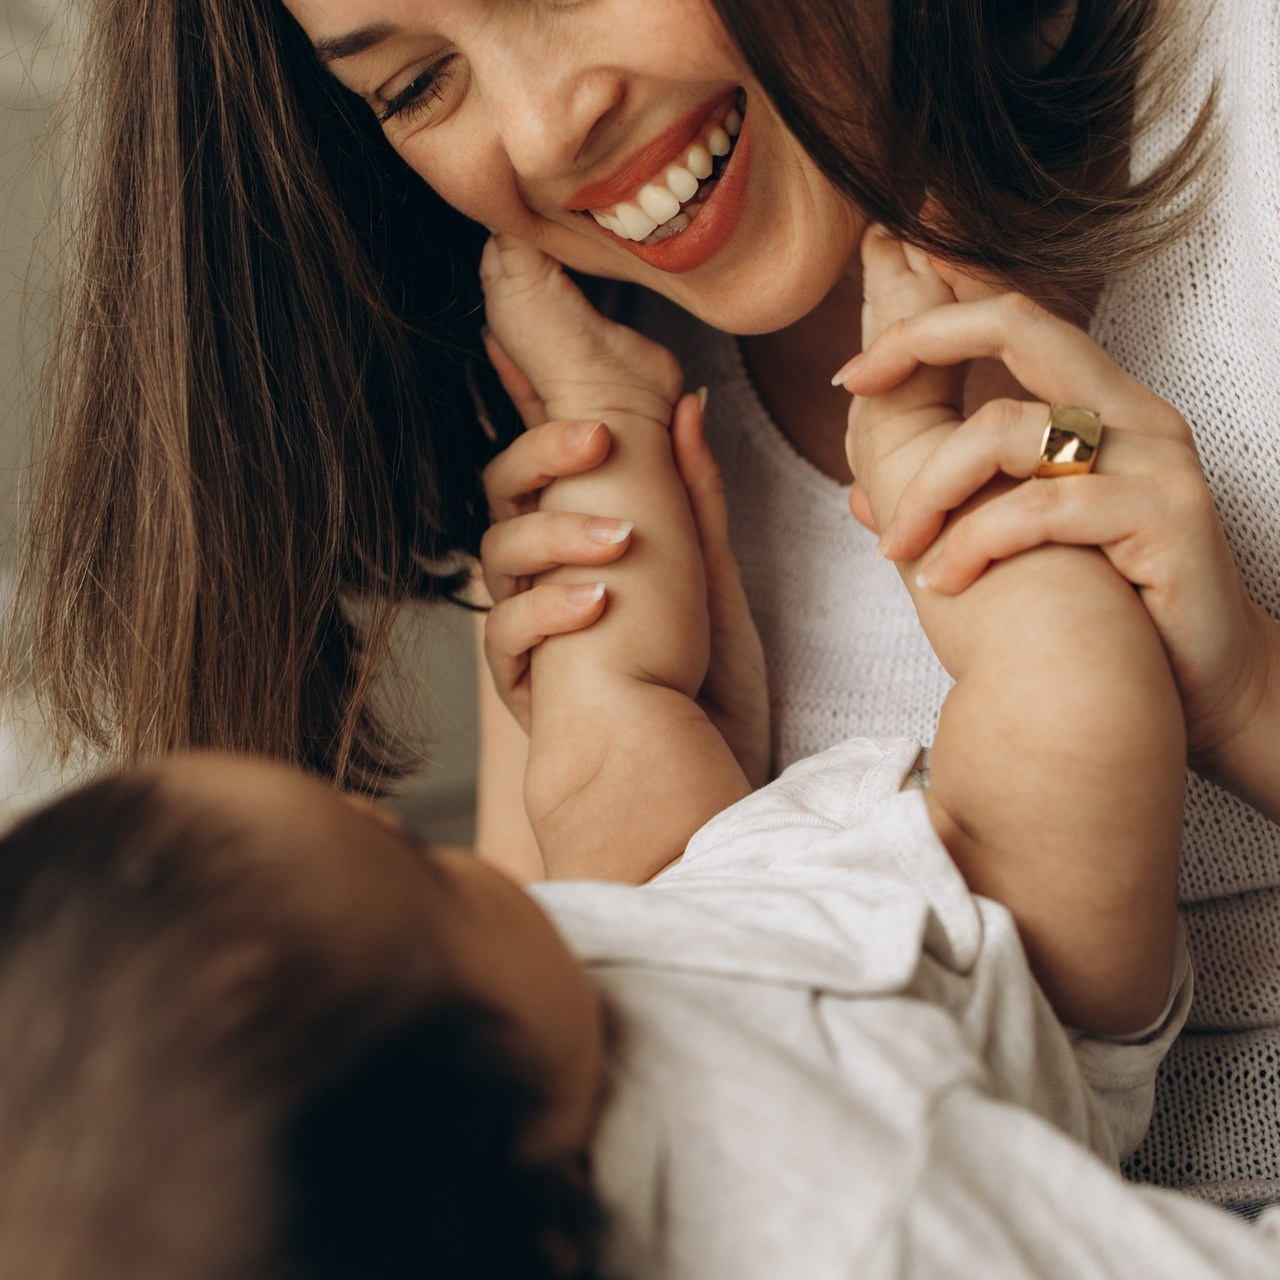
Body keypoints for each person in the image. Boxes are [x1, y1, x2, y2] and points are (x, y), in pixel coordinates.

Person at [17, 0, 1280, 1211]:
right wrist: (719, 846)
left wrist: (1248, 694)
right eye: (412, 83)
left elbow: (1074, 463)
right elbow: (566, 1048)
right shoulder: (600, 463)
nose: (536, 131)